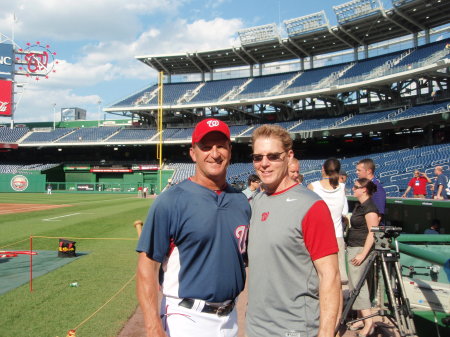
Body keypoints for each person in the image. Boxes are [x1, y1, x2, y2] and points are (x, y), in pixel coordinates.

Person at [136, 118, 251, 337]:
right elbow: (146, 266)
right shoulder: (171, 201)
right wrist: (152, 327)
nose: (214, 153)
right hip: (185, 319)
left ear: (230, 150)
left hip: (230, 317)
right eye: (206, 147)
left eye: (220, 146)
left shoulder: (241, 202)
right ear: (193, 153)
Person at [246, 124, 341, 337]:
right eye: (257, 157)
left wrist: (326, 333)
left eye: (273, 156)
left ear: (289, 157)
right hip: (255, 327)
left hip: (295, 328)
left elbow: (330, 276)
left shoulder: (311, 206)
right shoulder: (256, 201)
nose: (264, 164)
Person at [346, 178, 380, 336]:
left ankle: (369, 323)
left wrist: (362, 254)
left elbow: (373, 232)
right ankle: (361, 318)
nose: (353, 189)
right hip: (354, 247)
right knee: (356, 286)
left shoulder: (370, 207)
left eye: (356, 187)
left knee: (359, 288)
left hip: (360, 250)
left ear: (364, 189)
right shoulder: (361, 205)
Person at [307, 158, 349, 286]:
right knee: (338, 280)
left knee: (319, 278)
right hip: (337, 236)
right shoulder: (342, 187)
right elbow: (344, 211)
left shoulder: (313, 186)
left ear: (323, 170)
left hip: (319, 237)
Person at [356, 159, 386, 223]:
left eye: (359, 170)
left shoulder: (376, 188)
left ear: (369, 171)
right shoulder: (365, 186)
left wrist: (370, 232)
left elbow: (378, 215)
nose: (357, 172)